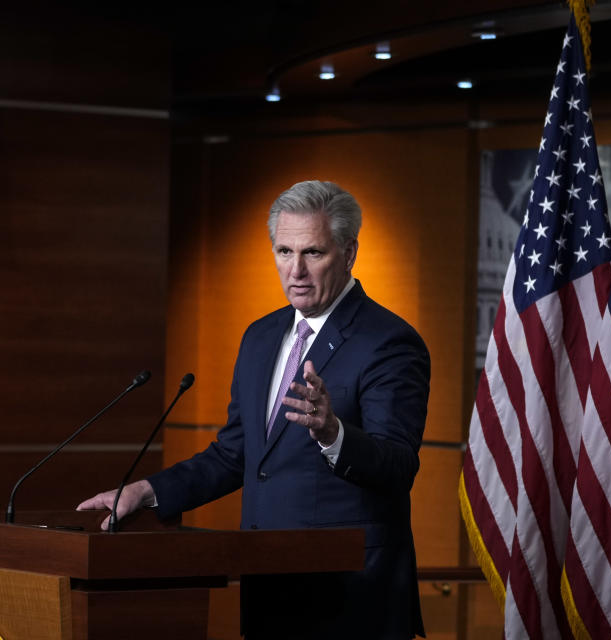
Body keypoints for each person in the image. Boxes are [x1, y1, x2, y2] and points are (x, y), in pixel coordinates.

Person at [78, 180, 430, 639]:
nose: (295, 271)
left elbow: (398, 465)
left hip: (350, 596)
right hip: (269, 588)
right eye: (284, 251)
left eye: (313, 253)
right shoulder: (261, 337)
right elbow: (236, 454)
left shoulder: (388, 342)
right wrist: (146, 492)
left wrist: (333, 434)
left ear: (349, 253)